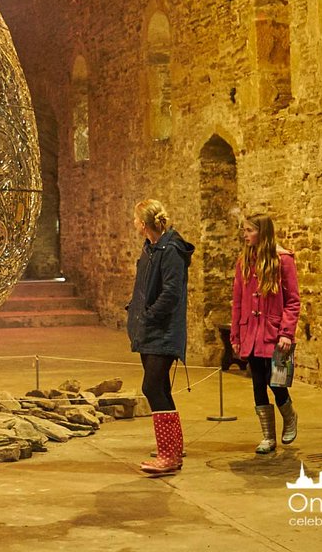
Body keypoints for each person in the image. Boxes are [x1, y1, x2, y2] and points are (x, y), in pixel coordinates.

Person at [126, 199, 195, 476]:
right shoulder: (152, 248)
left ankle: (168, 455)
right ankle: (172, 450)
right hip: (149, 329)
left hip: (163, 330)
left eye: (134, 219)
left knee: (152, 387)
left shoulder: (171, 251)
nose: (133, 224)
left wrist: (149, 315)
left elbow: (171, 292)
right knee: (161, 388)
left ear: (143, 224)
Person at [230, 212, 301, 454]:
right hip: (251, 333)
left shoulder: (283, 261)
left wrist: (286, 333)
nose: (245, 235)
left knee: (277, 382)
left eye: (250, 230)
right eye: (245, 230)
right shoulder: (244, 263)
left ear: (263, 232)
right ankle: (268, 436)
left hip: (274, 334)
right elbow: (238, 302)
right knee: (258, 384)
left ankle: (290, 416)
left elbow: (292, 301)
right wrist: (236, 336)